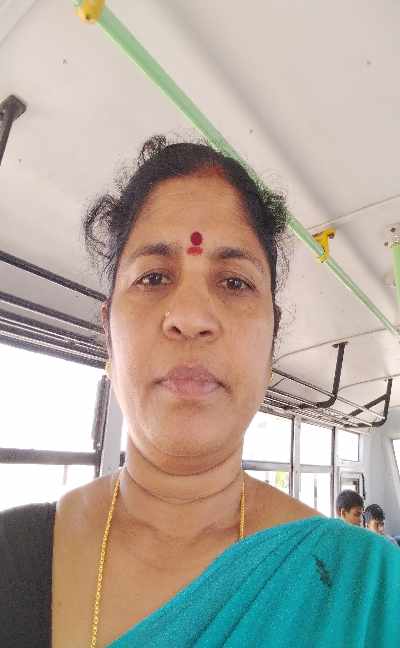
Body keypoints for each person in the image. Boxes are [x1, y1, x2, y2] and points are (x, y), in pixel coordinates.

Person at [1, 136, 400, 648]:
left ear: (271, 342)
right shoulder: (12, 556)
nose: (190, 317)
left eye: (234, 282)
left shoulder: (367, 592)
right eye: (153, 277)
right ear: (108, 334)